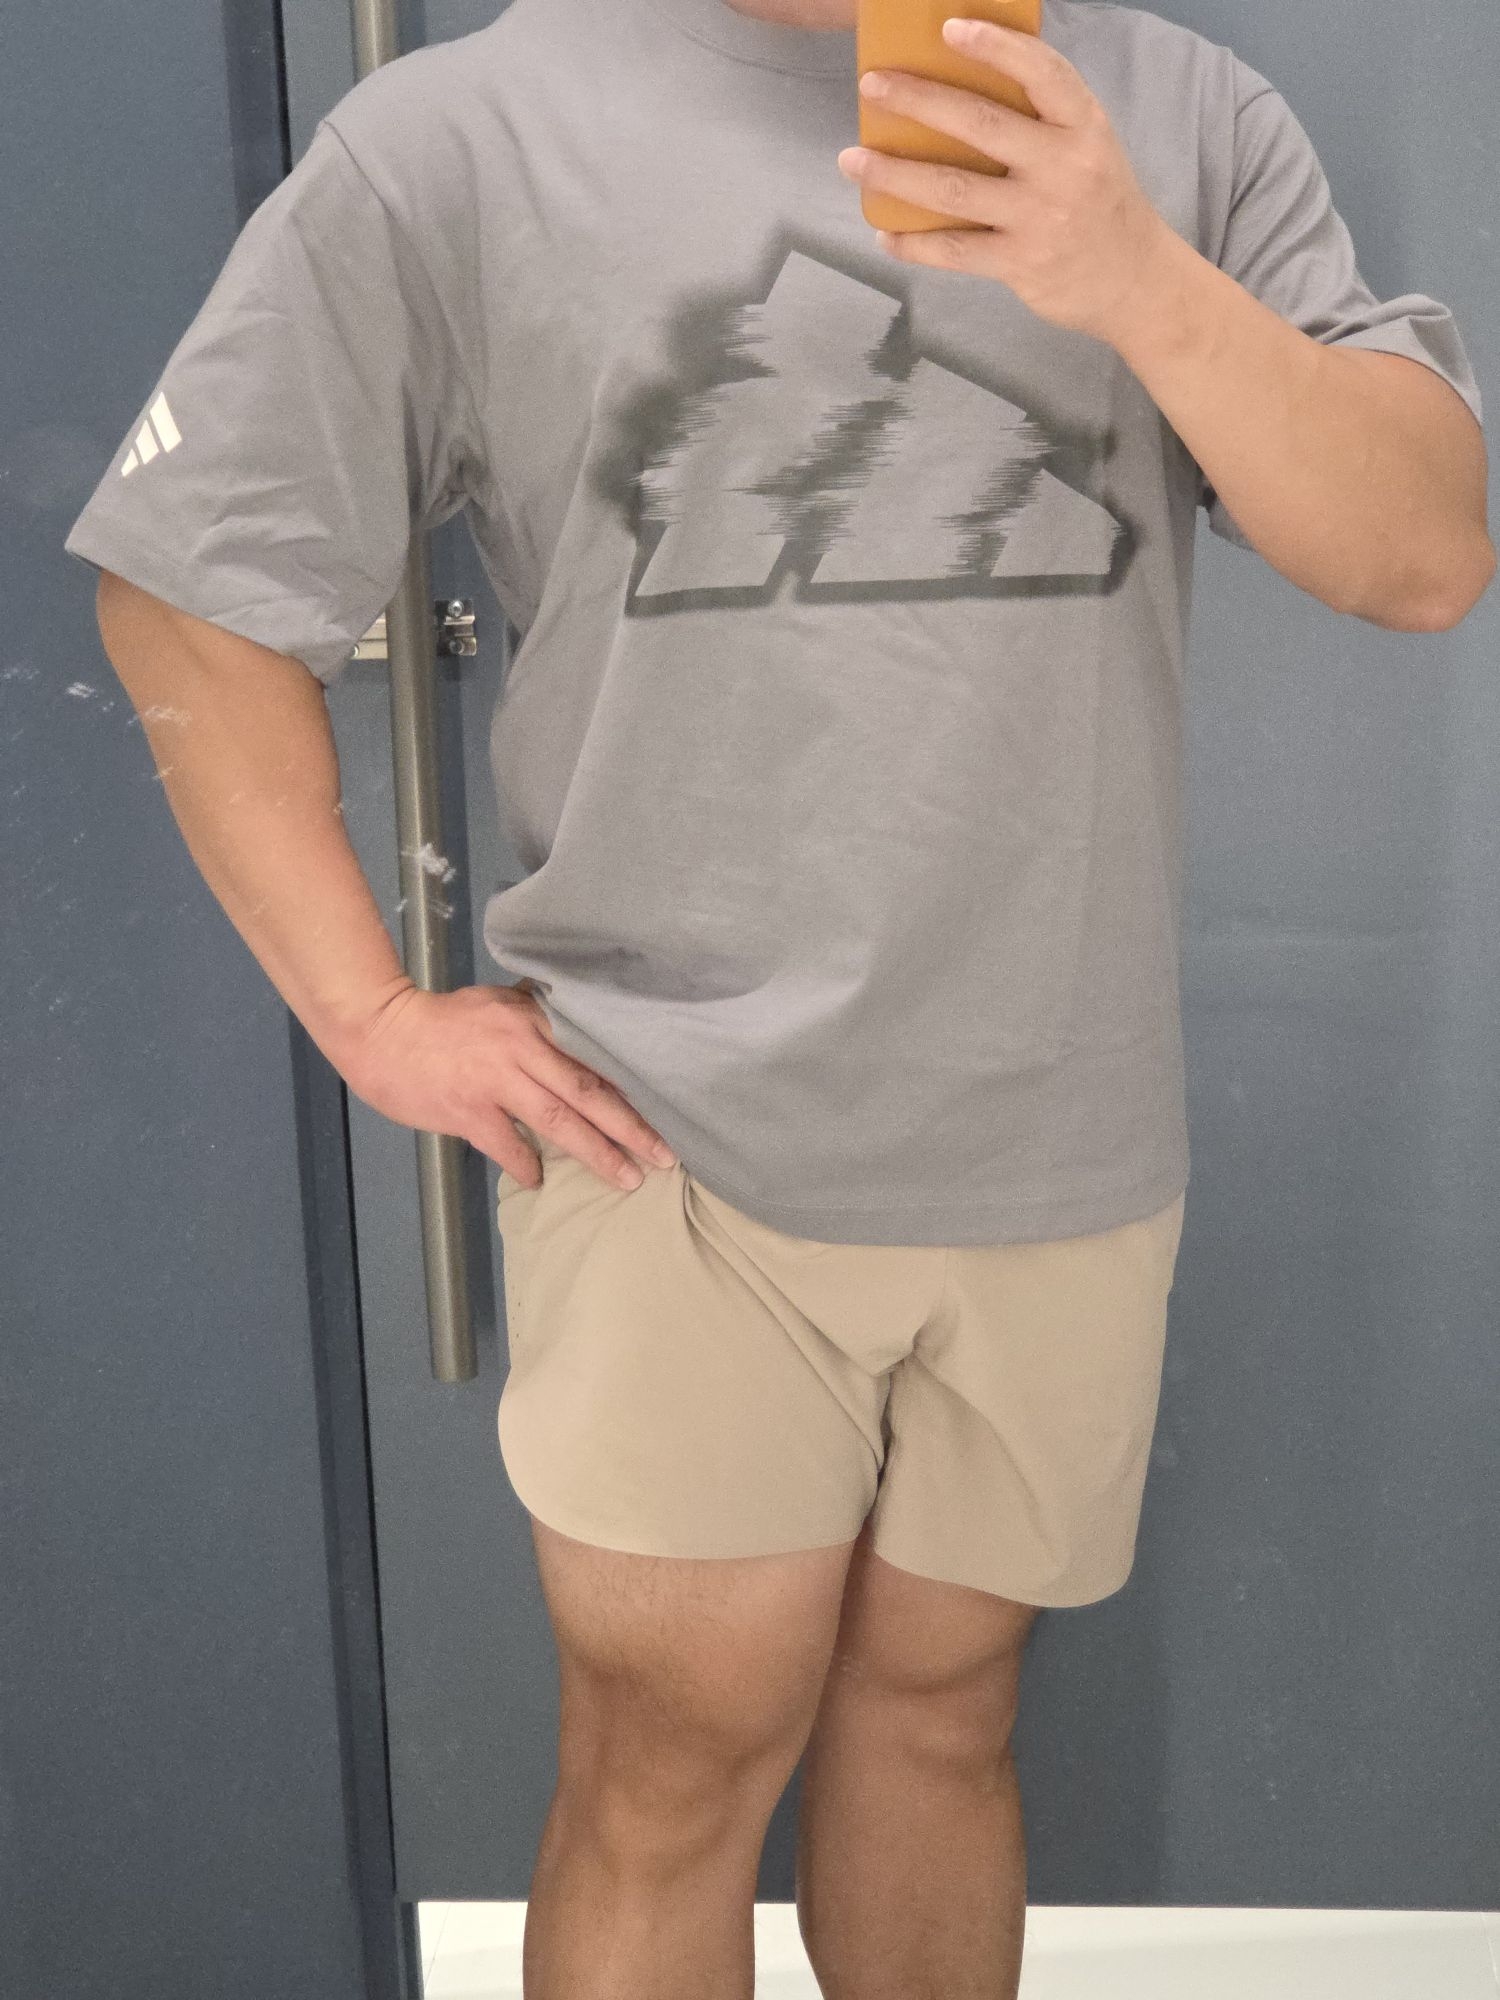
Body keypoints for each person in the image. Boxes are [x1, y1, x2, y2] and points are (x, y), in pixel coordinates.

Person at [64, 0, 1491, 1993]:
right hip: (672, 1143)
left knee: (946, 1717)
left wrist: (1134, 275)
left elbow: (1424, 555)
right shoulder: (458, 140)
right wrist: (370, 1014)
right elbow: (187, 585)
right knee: (670, 1764)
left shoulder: (1180, 110)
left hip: (1060, 1141)